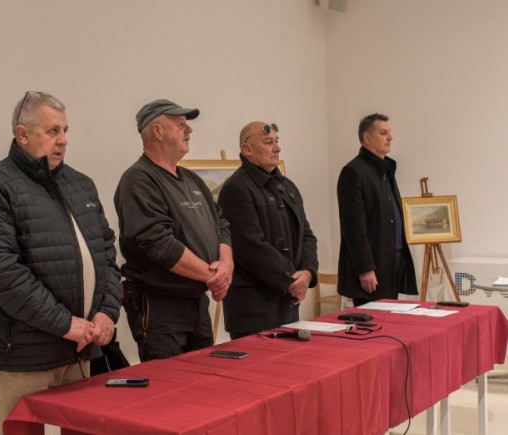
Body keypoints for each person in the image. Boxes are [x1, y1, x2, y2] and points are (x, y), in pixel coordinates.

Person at [0, 91, 121, 433]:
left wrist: (107, 313)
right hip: (25, 355)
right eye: (52, 131)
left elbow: (106, 255)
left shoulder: (81, 184)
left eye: (65, 130)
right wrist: (66, 324)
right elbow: (0, 274)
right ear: (22, 134)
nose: (63, 140)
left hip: (80, 348)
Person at [114, 98, 233, 361]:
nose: (189, 130)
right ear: (157, 131)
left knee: (204, 377)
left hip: (196, 301)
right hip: (161, 306)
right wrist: (213, 277)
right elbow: (159, 243)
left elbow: (221, 224)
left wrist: (225, 267)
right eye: (180, 124)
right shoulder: (139, 179)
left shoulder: (192, 179)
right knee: (168, 382)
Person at [217, 122, 318, 339]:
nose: (277, 148)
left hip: (287, 303)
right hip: (254, 309)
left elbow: (307, 235)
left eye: (277, 141)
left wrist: (307, 273)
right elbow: (250, 246)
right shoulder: (236, 188)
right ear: (247, 149)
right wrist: (291, 279)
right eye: (268, 142)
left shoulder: (288, 187)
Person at [337, 113, 418, 306]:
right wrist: (365, 269)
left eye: (390, 132)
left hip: (392, 263)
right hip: (372, 268)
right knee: (374, 322)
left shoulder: (386, 170)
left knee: (391, 319)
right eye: (383, 133)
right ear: (367, 137)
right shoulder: (354, 172)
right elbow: (353, 227)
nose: (390, 137)